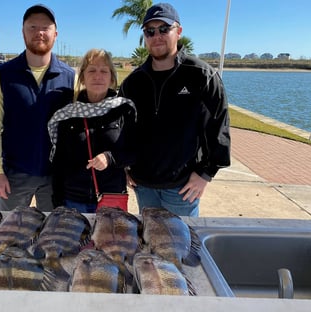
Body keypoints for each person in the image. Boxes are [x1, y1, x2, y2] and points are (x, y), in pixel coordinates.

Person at [118, 3, 231, 217]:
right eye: (150, 31)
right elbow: (121, 129)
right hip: (143, 184)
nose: (157, 36)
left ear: (178, 32)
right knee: (150, 244)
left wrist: (206, 173)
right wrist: (122, 165)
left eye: (164, 29)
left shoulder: (201, 75)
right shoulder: (133, 82)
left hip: (182, 188)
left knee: (182, 248)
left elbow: (218, 127)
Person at [0, 4, 75, 212]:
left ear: (55, 34)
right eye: (32, 27)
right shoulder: (3, 75)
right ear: (23, 31)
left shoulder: (70, 77)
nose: (39, 33)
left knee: (52, 236)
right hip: (14, 175)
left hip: (55, 177)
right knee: (9, 232)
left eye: (45, 27)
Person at [48, 49, 137, 213]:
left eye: (104, 71)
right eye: (92, 70)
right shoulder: (68, 114)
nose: (98, 76)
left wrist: (109, 158)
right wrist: (58, 200)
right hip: (73, 200)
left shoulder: (124, 110)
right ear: (82, 77)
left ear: (112, 78)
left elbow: (134, 152)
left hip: (111, 198)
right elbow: (59, 161)